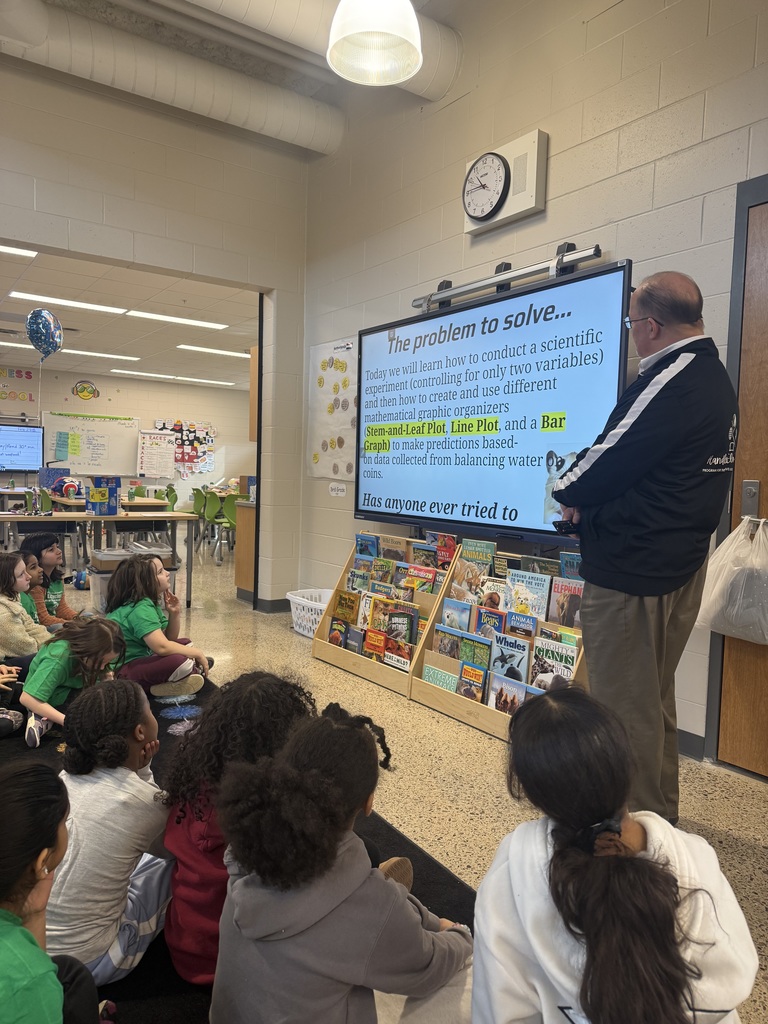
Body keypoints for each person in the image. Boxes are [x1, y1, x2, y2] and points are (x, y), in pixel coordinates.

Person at [552, 270, 738, 822]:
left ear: (652, 326)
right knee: (653, 704)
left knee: (623, 715)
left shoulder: (671, 377)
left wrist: (567, 491)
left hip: (634, 576)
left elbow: (597, 463)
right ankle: (664, 825)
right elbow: (646, 470)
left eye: (633, 323)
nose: (632, 334)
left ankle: (633, 848)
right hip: (676, 568)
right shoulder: (713, 377)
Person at [472, 688, 758, 1024]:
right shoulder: (698, 859)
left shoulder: (508, 882)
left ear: (532, 793)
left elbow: (497, 1011)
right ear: (628, 768)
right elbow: (734, 975)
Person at [210, 704, 473, 1023]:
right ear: (368, 802)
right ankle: (403, 918)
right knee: (464, 978)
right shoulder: (370, 904)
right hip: (377, 920)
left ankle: (402, 916)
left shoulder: (246, 847)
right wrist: (460, 935)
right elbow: (429, 967)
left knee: (378, 918)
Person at [162, 670, 317, 985]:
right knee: (353, 854)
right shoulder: (276, 808)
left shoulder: (192, 782)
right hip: (242, 965)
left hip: (183, 946)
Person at [45, 678, 174, 984]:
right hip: (92, 961)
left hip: (33, 945)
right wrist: (144, 774)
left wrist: (140, 770)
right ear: (140, 732)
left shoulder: (64, 778)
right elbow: (171, 846)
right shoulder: (146, 804)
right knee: (170, 863)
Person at [0, 760, 113, 1024]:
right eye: (65, 822)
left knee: (70, 972)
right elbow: (33, 973)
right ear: (42, 861)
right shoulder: (29, 978)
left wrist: (37, 911)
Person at [105, 554, 207, 698]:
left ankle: (181, 676)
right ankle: (150, 686)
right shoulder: (140, 608)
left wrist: (175, 613)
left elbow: (169, 638)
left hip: (141, 659)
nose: (167, 573)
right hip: (121, 672)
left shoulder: (147, 602)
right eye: (160, 572)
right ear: (145, 582)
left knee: (186, 643)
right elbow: (162, 647)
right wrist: (197, 653)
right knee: (180, 661)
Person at [20, 617, 125, 748]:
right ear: (87, 650)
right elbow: (27, 698)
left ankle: (45, 718)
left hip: (72, 688)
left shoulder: (94, 648)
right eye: (101, 662)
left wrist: (107, 680)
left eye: (107, 662)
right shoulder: (58, 658)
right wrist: (68, 721)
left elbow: (104, 682)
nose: (103, 667)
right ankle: (43, 716)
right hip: (48, 696)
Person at [19, 534, 78, 627]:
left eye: (57, 547)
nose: (59, 551)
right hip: (45, 627)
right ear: (36, 556)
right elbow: (43, 619)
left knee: (87, 616)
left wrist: (80, 618)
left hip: (55, 622)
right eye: (51, 550)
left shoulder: (57, 580)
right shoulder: (34, 584)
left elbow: (61, 609)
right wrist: (75, 624)